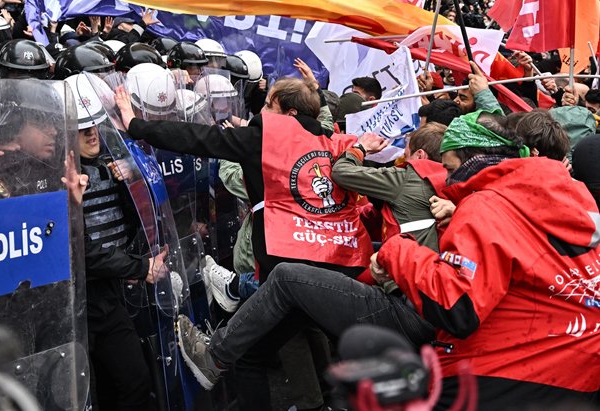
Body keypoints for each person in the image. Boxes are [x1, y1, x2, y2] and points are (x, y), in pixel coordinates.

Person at [176, 109, 600, 410]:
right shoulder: (561, 198)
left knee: (288, 277)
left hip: (439, 330)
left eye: (448, 166)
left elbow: (456, 305)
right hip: (552, 367)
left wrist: (394, 250)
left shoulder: (473, 199)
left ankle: (214, 356)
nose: (445, 178)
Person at [114, 77, 373, 410]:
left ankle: (223, 339)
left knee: (251, 355)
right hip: (341, 266)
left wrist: (136, 125)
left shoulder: (265, 139)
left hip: (288, 267)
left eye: (268, 106)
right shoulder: (336, 141)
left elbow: (198, 139)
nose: (260, 113)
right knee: (306, 337)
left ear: (289, 113)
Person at [65, 74, 158, 410]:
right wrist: (139, 267)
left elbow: (131, 227)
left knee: (135, 381)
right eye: (82, 128)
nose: (92, 134)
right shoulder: (57, 179)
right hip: (77, 299)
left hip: (112, 294)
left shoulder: (110, 170)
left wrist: (127, 186)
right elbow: (80, 251)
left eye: (95, 125)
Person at [332, 122, 449, 252]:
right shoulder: (457, 182)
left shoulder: (406, 179)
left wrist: (360, 148)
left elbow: (341, 172)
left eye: (406, 156)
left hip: (407, 264)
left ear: (420, 155)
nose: (402, 161)